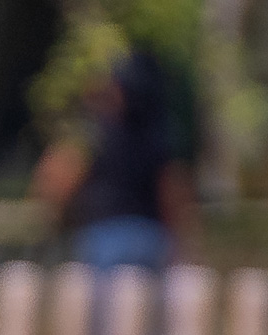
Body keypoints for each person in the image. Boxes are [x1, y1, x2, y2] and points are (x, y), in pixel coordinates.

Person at [32, 48, 200, 272]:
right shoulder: (163, 137)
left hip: (104, 237)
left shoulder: (95, 135)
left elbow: (57, 182)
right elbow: (173, 193)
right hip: (153, 238)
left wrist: (55, 218)